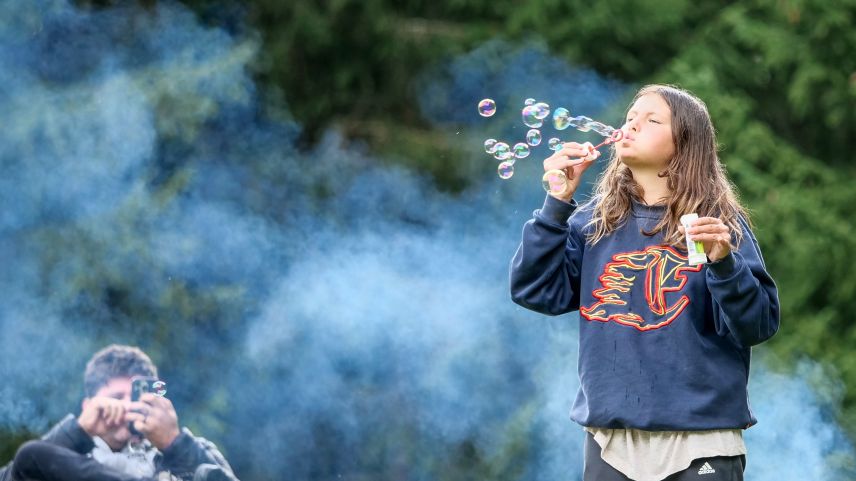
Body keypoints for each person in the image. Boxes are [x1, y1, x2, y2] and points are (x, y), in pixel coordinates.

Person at [510, 84, 779, 481]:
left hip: (701, 441)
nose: (631, 126)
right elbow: (534, 290)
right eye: (630, 118)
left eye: (651, 120)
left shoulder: (717, 228)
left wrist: (724, 265)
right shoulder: (593, 225)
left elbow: (756, 324)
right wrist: (556, 205)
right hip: (611, 444)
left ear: (685, 146)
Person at [0, 344, 238, 481]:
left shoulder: (193, 449)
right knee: (31, 456)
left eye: (135, 396)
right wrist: (77, 432)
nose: (128, 407)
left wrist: (174, 444)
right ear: (88, 405)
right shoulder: (63, 455)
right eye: (116, 398)